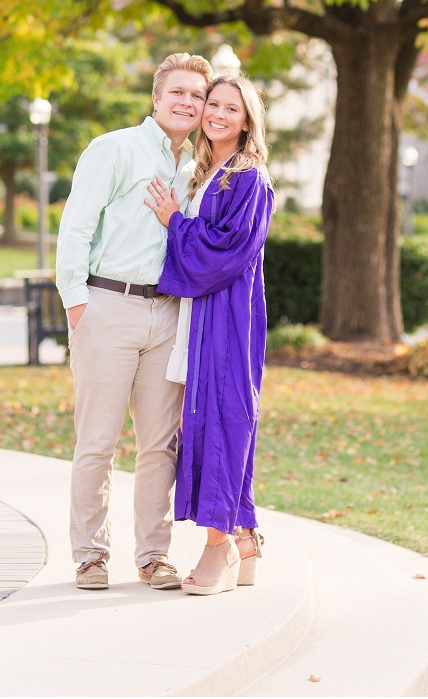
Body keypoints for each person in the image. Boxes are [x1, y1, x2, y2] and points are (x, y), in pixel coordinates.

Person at [56, 52, 213, 590]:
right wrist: (77, 303)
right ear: (156, 96)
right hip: (108, 307)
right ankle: (90, 555)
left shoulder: (196, 168)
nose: (188, 102)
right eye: (179, 92)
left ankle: (152, 556)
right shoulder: (115, 148)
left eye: (198, 95)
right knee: (97, 441)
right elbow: (75, 227)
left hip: (166, 315)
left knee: (159, 445)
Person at [144, 72, 273, 596]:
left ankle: (216, 547)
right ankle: (244, 538)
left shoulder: (249, 179)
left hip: (228, 320)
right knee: (205, 424)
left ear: (247, 123)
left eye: (231, 109)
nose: (217, 114)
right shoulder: (203, 172)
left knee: (225, 423)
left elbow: (226, 252)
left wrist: (175, 223)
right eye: (212, 104)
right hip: (197, 319)